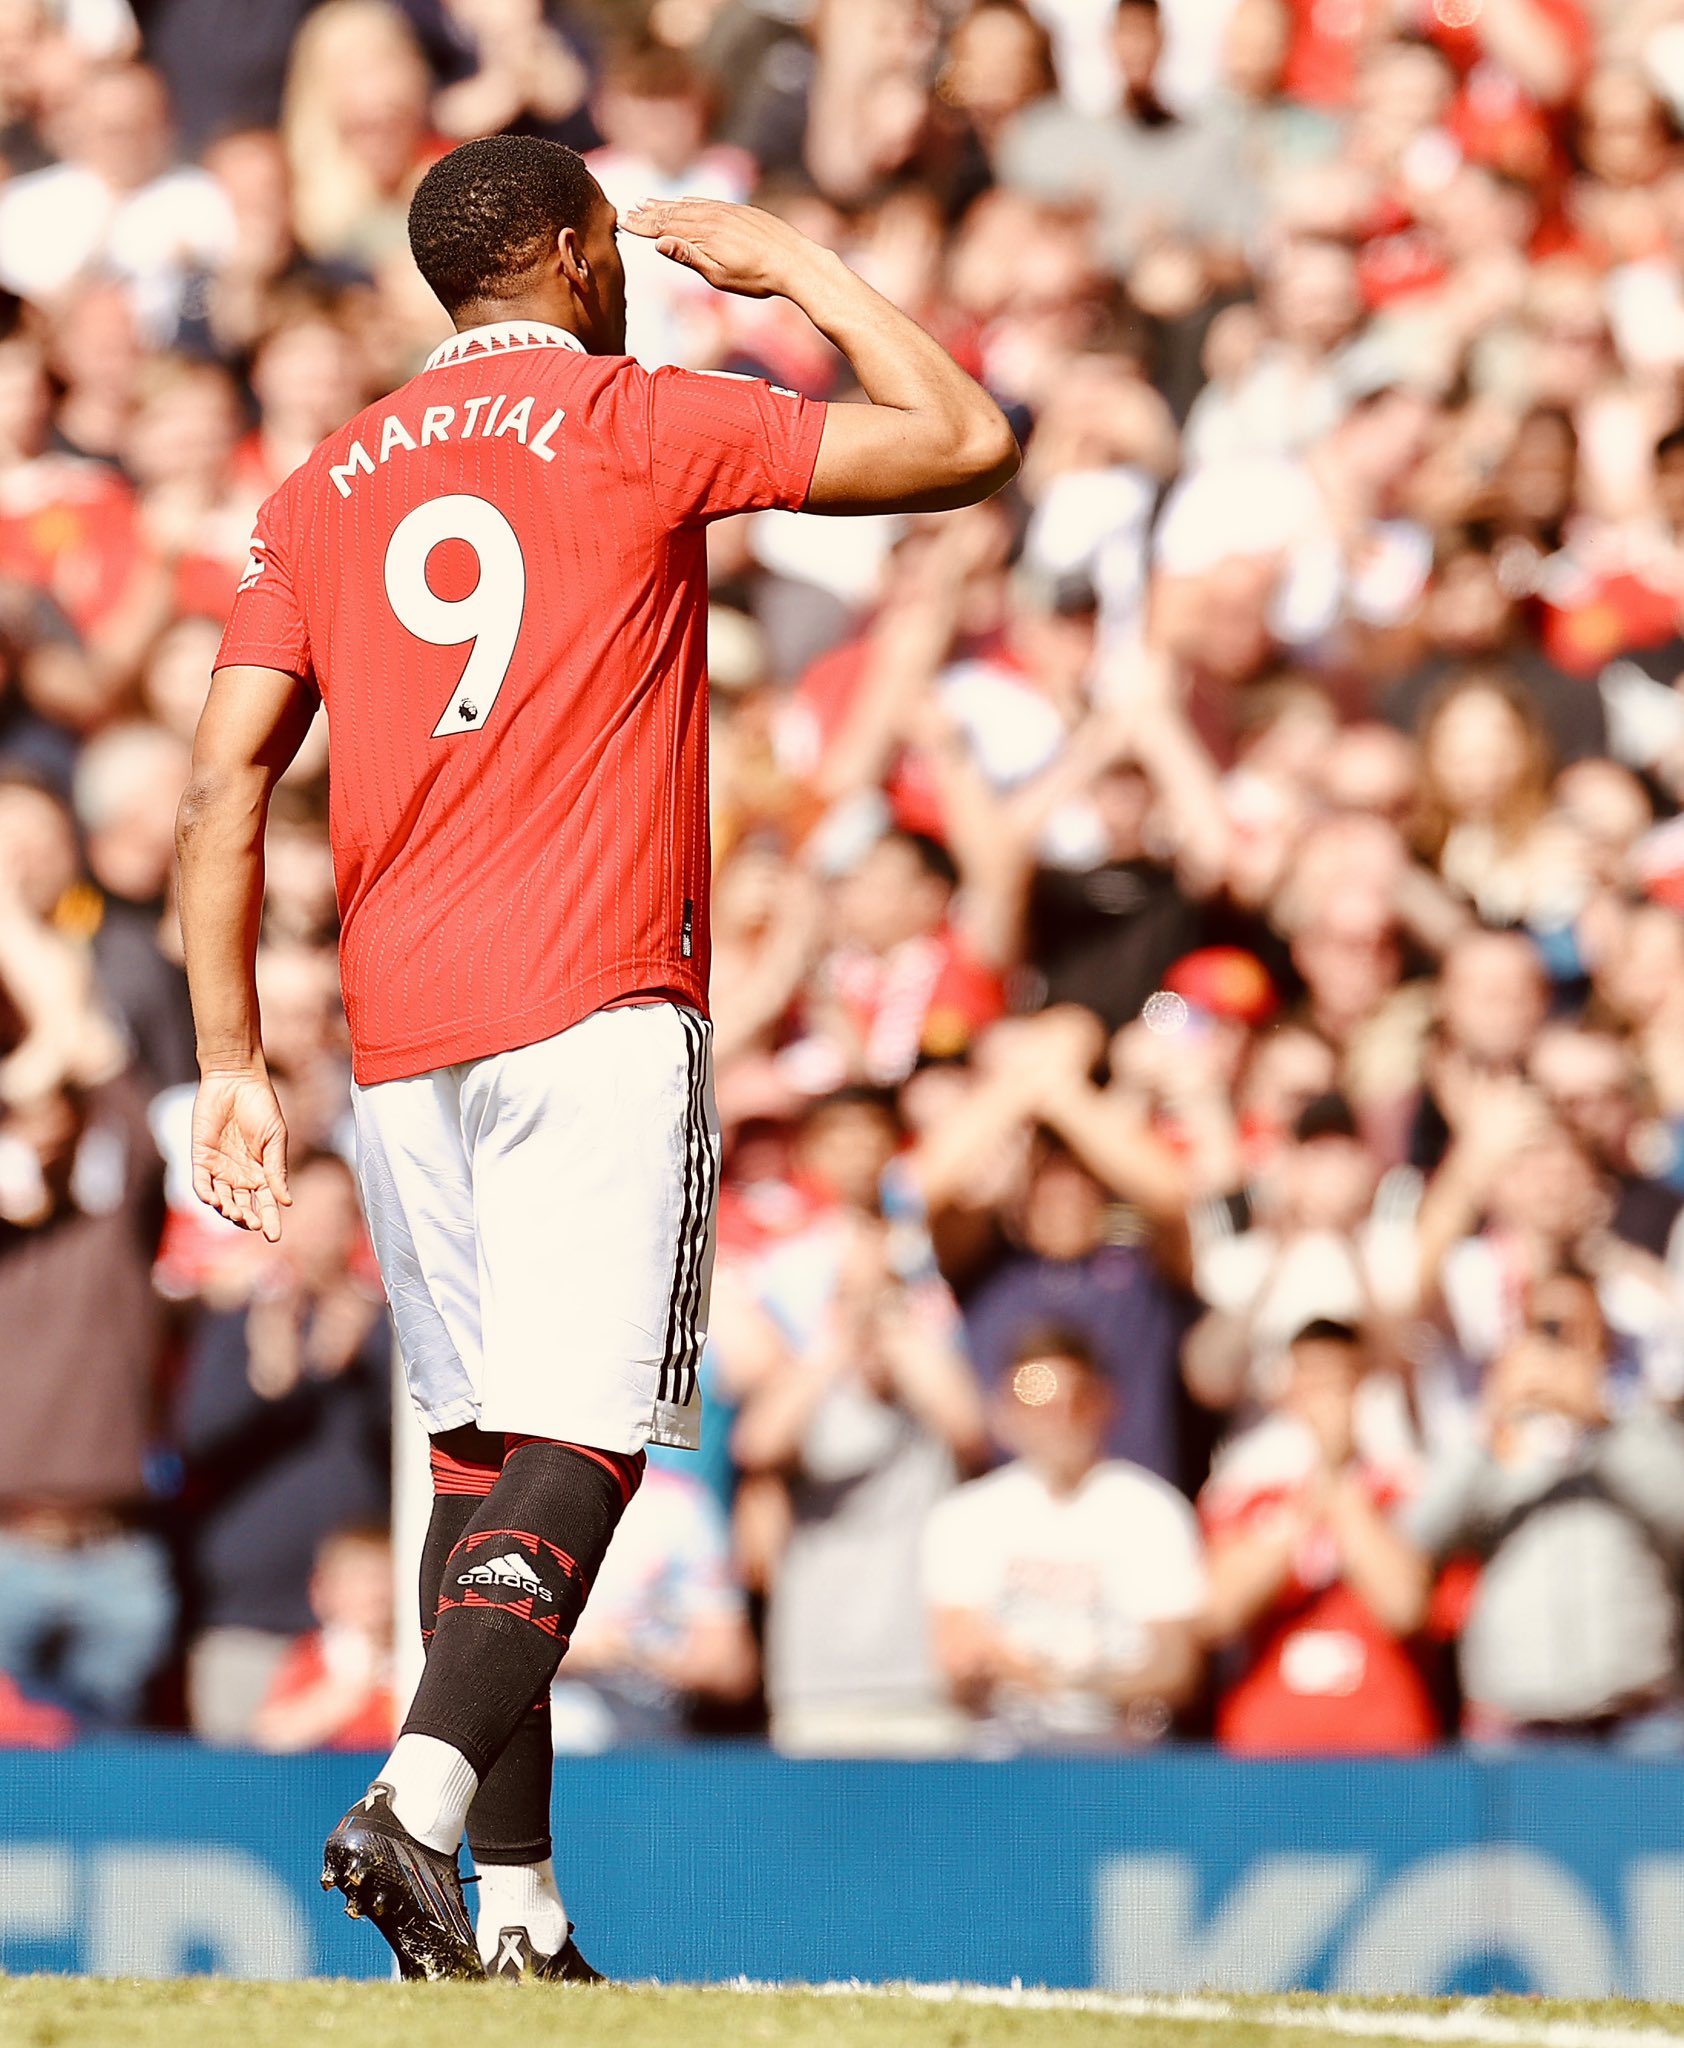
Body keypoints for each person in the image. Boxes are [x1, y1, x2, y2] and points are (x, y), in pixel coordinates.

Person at [174, 132, 1017, 1984]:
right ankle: (407, 1801)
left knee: (475, 1458)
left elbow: (227, 776)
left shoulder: (320, 484)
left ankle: (516, 1915)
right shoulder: (636, 418)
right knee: (588, 1435)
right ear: (565, 251)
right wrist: (790, 262)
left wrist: (231, 1056)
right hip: (596, 996)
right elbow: (960, 437)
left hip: (399, 1041)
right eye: (613, 243)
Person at [922, 1325, 1206, 1753]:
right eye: (1033, 1396)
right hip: (1002, 1766)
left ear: (1105, 1402)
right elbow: (956, 1665)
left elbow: (1176, 1669)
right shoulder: (965, 1517)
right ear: (1004, 1410)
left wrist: (1055, 1681)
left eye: (1075, 1398)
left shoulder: (1152, 1511)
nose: (1055, 1416)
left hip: (1123, 1768)